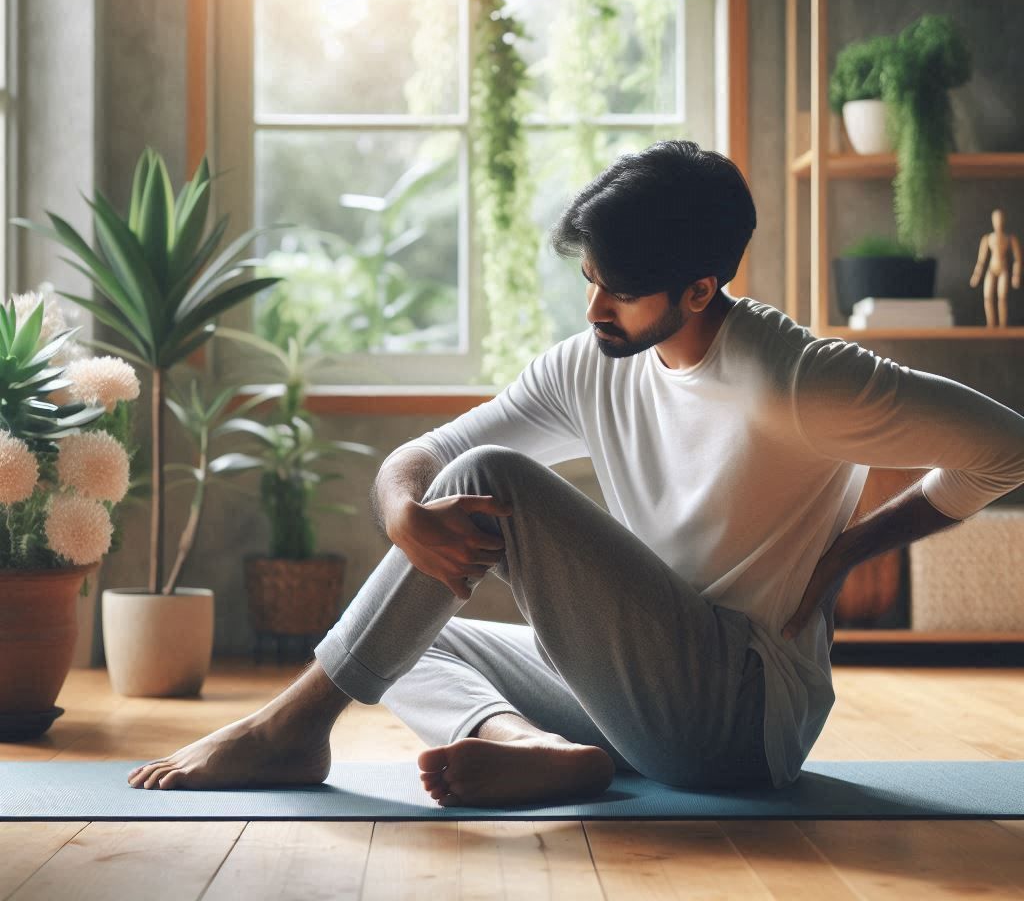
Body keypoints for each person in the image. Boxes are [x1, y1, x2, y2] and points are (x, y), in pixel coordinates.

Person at [128, 140, 1024, 806]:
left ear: (701, 289)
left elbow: (1007, 448)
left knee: (494, 480)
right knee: (402, 632)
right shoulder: (592, 358)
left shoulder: (801, 380)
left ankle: (290, 729)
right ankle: (529, 745)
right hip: (640, 695)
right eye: (589, 279)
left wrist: (851, 550)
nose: (593, 306)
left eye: (619, 289)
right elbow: (426, 455)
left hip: (737, 718)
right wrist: (403, 508)